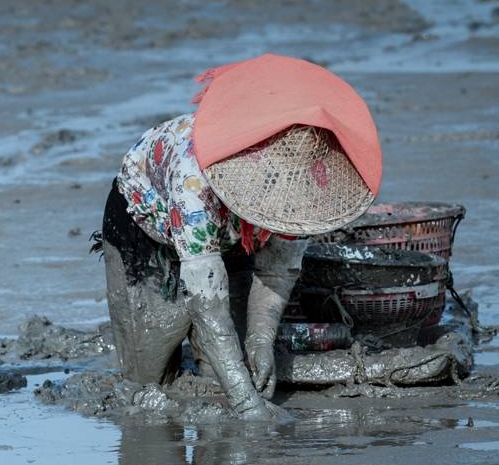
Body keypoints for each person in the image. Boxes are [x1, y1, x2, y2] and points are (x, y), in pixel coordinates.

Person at [99, 54, 381, 419]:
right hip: (149, 226)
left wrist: (261, 340)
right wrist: (246, 402)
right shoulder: (194, 185)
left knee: (229, 368)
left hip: (234, 235)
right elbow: (208, 304)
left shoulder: (307, 191)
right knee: (149, 378)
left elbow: (276, 272)